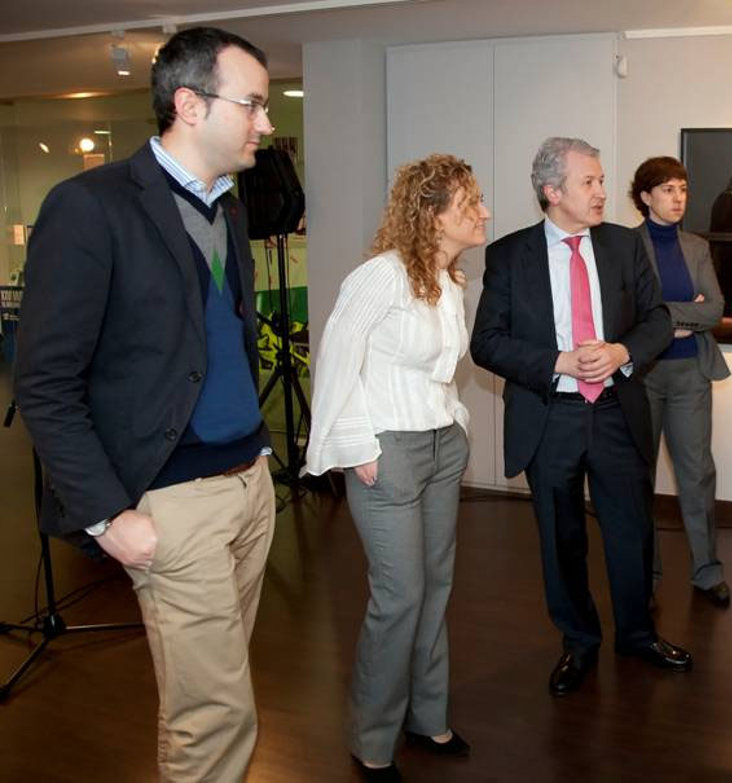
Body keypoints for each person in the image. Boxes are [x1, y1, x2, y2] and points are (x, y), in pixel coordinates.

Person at [14, 27, 276, 782]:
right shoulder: (89, 207)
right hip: (172, 499)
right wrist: (107, 516)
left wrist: (259, 454)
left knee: (219, 683)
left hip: (249, 485)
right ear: (190, 105)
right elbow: (45, 382)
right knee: (215, 711)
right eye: (253, 104)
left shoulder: (228, 209)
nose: (265, 123)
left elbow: (217, 343)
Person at [471, 137, 693, 698]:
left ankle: (637, 635)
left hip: (617, 409)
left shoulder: (623, 244)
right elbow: (487, 343)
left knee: (631, 530)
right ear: (553, 191)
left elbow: (657, 320)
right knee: (560, 537)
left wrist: (621, 352)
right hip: (551, 415)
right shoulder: (509, 255)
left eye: (600, 181)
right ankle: (578, 641)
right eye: (588, 182)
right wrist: (559, 362)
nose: (601, 192)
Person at [304, 154, 484, 781]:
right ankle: (372, 738)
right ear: (433, 214)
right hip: (388, 453)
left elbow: (438, 370)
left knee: (434, 587)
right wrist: (358, 445)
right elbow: (335, 361)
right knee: (399, 596)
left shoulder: (451, 281)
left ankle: (426, 717)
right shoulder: (378, 277)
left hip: (440, 447)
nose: (483, 213)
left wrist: (455, 420)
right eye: (470, 204)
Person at [629, 156, 732, 608]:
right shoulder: (625, 246)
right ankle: (645, 575)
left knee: (698, 473)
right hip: (642, 375)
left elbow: (714, 310)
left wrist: (663, 317)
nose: (678, 198)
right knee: (639, 475)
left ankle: (707, 572)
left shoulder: (696, 246)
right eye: (668, 189)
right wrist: (673, 319)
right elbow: (628, 312)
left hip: (691, 372)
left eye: (683, 189)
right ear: (646, 196)